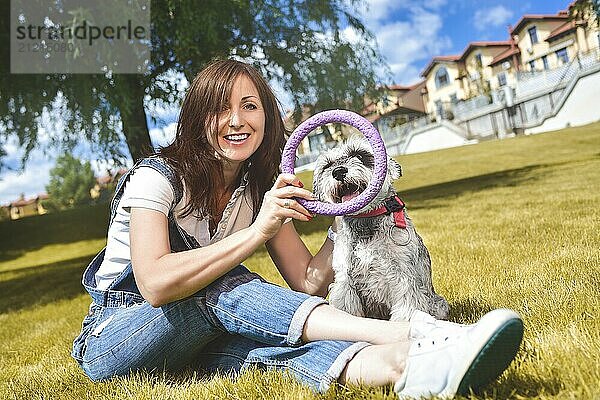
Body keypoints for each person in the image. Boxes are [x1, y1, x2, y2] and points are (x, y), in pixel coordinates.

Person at [72, 59, 523, 399]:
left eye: (250, 106)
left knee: (269, 353)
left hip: (191, 343)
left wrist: (349, 213)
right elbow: (154, 283)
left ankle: (411, 368)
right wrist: (256, 232)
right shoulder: (155, 177)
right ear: (196, 119)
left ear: (266, 118)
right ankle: (413, 333)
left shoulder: (255, 191)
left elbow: (307, 280)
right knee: (223, 285)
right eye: (219, 109)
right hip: (116, 339)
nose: (236, 120)